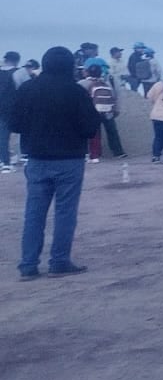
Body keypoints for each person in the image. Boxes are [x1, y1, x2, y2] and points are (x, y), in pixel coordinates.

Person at [13, 47, 100, 279]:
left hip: (37, 159)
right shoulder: (76, 92)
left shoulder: (28, 89)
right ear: (70, 66)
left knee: (34, 213)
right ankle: (59, 261)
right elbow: (91, 128)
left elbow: (14, 124)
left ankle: (28, 265)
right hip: (69, 160)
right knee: (65, 213)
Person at [0, 51, 20, 172]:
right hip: (12, 107)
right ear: (17, 60)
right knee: (10, 135)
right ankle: (8, 162)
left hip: (1, 107)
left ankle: (3, 160)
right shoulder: (17, 73)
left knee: (3, 135)